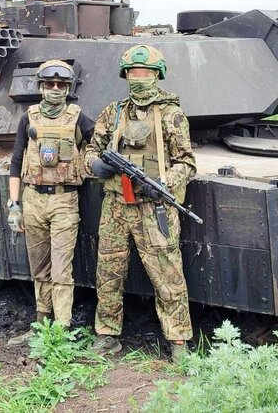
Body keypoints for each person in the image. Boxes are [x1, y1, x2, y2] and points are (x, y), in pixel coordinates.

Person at [84, 44, 197, 362]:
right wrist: (96, 166)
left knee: (168, 276)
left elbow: (186, 163)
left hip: (154, 207)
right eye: (133, 72)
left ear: (157, 75)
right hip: (116, 206)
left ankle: (178, 342)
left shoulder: (171, 115)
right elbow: (91, 150)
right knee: (108, 273)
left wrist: (164, 183)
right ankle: (107, 336)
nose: (139, 78)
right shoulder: (114, 112)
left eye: (145, 72)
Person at [6, 59, 94, 346]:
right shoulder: (28, 117)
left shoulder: (78, 118)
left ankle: (61, 329)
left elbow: (98, 143)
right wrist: (14, 205)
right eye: (49, 84)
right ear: (41, 87)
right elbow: (17, 161)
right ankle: (41, 325)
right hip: (32, 200)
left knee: (61, 270)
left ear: (68, 88)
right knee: (39, 267)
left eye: (60, 85)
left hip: (63, 200)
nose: (55, 89)